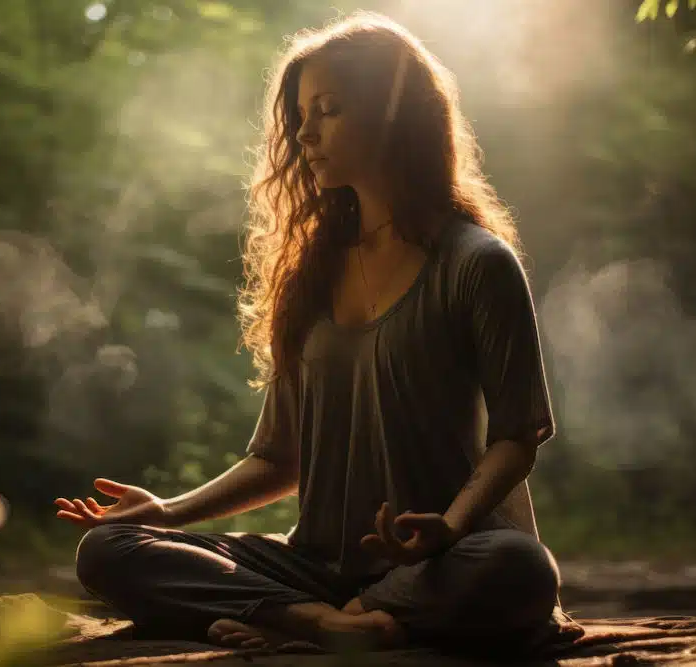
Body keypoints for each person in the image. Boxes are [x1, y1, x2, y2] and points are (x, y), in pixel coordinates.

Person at [55, 10, 582, 656]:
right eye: (301, 114)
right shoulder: (311, 276)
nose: (305, 133)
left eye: (328, 109)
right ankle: (324, 619)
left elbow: (516, 437)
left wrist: (446, 528)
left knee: (523, 568)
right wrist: (166, 511)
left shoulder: (477, 264)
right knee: (109, 548)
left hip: (445, 560)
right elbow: (281, 458)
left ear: (393, 113)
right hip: (314, 566)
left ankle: (351, 613)